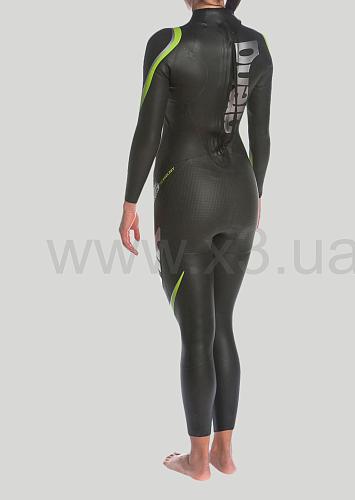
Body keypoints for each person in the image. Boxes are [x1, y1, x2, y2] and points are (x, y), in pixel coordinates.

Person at [119, 0, 273, 481]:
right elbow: (261, 135)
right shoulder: (256, 44)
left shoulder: (169, 44)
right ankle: (225, 454)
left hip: (185, 195)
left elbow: (148, 131)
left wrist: (129, 202)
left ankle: (198, 460)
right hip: (241, 192)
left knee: (196, 333)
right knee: (223, 325)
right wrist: (256, 195)